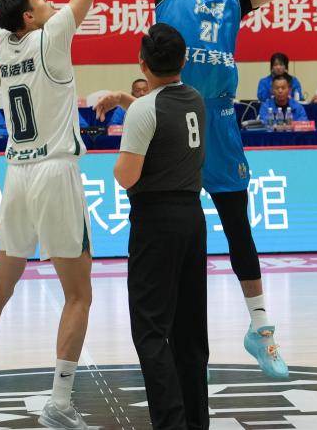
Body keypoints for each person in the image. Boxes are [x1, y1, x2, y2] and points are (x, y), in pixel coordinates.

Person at [99, 0, 297, 378]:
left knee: (238, 227)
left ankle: (261, 330)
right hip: (172, 112)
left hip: (220, 119)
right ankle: (165, 327)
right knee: (170, 224)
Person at [0, 0, 153, 429]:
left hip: (16, 173)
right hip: (56, 171)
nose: (48, 0)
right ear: (29, 16)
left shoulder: (4, 44)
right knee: (79, 294)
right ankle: (60, 403)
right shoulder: (51, 36)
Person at [107, 25, 209, 430]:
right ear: (183, 60)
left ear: (142, 64)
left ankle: (170, 423)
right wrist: (127, 100)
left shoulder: (143, 111)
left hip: (155, 220)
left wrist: (128, 111)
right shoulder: (195, 99)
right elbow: (162, 114)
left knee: (150, 330)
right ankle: (195, 421)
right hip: (192, 218)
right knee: (190, 330)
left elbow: (127, 176)